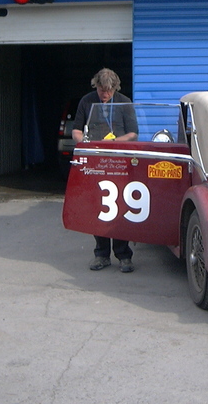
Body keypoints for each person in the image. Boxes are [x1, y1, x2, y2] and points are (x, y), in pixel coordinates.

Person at [72, 68, 138, 273]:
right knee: (98, 206)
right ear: (96, 86)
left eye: (109, 91)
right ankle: (101, 254)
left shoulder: (125, 102)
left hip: (118, 161)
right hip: (95, 161)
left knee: (120, 206)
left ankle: (124, 255)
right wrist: (85, 144)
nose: (105, 94)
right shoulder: (86, 101)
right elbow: (75, 129)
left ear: (115, 88)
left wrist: (115, 142)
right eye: (102, 90)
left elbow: (133, 133)